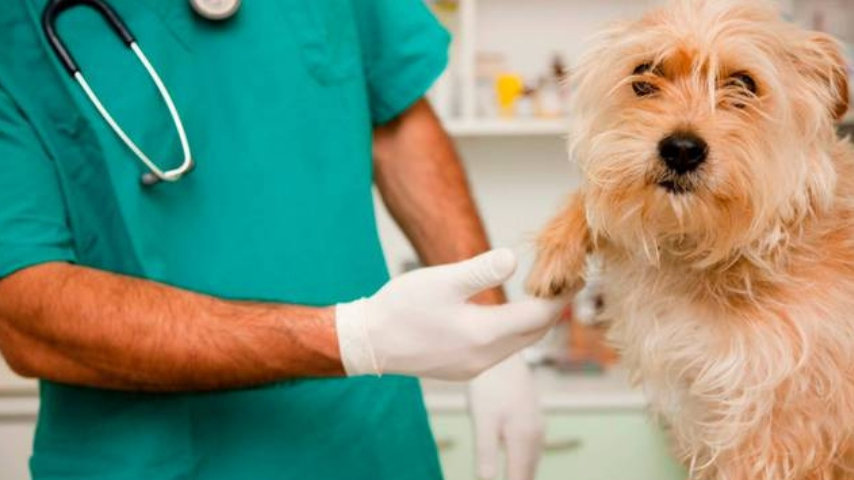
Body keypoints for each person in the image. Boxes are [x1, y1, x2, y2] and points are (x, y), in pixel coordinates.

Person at [0, 1, 566, 479]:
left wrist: (494, 339)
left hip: (369, 445)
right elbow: (26, 312)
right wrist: (352, 339)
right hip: (152, 459)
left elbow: (395, 117)